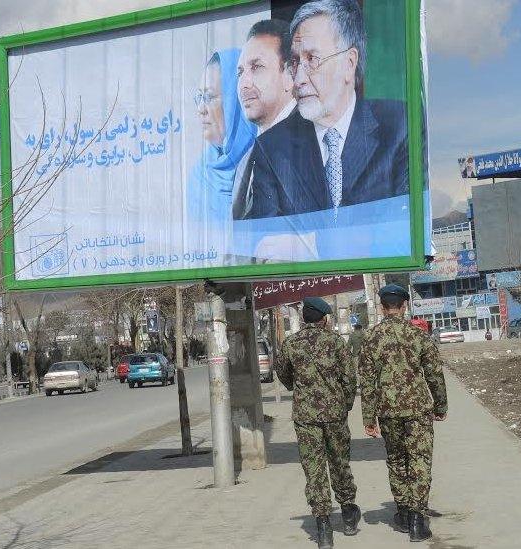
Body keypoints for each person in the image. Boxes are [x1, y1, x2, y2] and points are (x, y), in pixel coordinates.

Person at [234, 0, 409, 221]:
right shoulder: (272, 148)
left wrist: (310, 243)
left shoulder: (401, 125)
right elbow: (266, 243)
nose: (299, 79)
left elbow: (404, 229)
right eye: (296, 62)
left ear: (349, 62)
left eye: (312, 59)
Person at [359, 284, 447, 542]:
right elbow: (434, 374)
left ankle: (404, 512)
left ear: (382, 306)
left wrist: (368, 418)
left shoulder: (371, 338)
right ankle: (418, 521)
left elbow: (367, 382)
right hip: (418, 409)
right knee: (419, 461)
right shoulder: (419, 336)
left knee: (397, 461)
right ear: (405, 305)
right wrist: (440, 406)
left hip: (387, 411)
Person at [275, 297, 360, 548]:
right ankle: (347, 514)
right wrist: (345, 404)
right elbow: (349, 377)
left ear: (304, 319)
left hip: (305, 416)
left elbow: (283, 373)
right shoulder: (336, 342)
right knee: (339, 462)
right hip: (334, 414)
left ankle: (323, 527)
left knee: (313, 469)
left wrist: (297, 389)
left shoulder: (290, 343)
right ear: (324, 319)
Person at [186, 49, 257, 252]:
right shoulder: (199, 177)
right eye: (198, 97)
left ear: (235, 101)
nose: (201, 108)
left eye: (209, 97)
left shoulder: (266, 162)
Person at [232, 19, 296, 220]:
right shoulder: (245, 161)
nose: (244, 83)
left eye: (256, 67)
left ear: (290, 75)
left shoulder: (316, 142)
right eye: (240, 72)